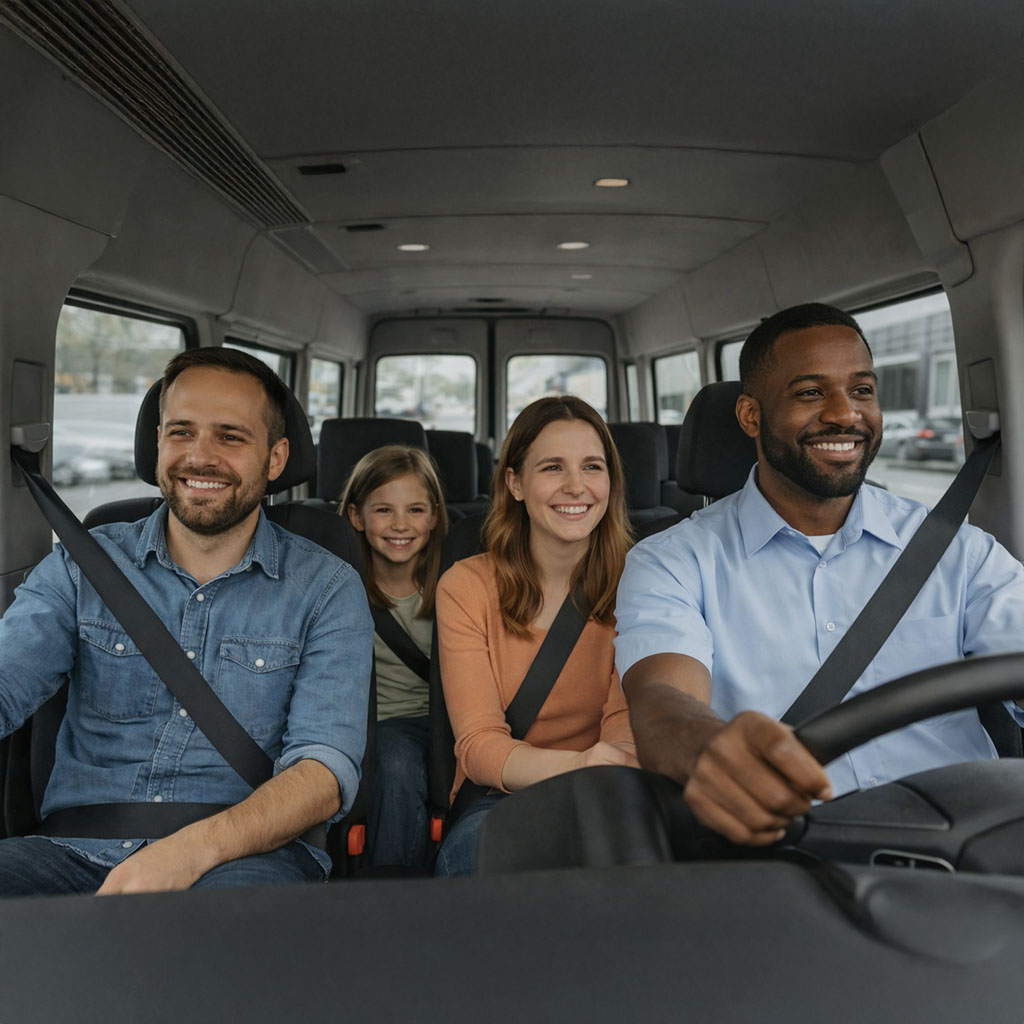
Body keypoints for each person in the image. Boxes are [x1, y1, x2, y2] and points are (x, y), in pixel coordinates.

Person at [616, 302, 1024, 847]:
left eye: (862, 390)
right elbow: (662, 700)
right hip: (790, 857)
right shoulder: (671, 560)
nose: (844, 414)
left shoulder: (960, 552)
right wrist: (710, 749)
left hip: (966, 848)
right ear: (751, 417)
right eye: (810, 392)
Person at [0, 347, 373, 894]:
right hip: (70, 849)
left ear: (275, 458)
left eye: (230, 436)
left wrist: (188, 853)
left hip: (247, 856)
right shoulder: (82, 565)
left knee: (212, 957)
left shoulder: (327, 587)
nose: (201, 458)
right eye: (181, 432)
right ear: (157, 444)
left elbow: (323, 772)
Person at [434, 396, 638, 876]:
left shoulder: (645, 580)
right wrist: (581, 767)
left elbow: (624, 724)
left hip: (610, 787)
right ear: (515, 483)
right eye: (552, 467)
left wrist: (604, 772)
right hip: (496, 798)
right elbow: (480, 745)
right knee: (479, 861)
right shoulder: (465, 586)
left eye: (593, 466)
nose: (576, 486)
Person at [341, 444, 448, 869]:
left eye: (416, 510)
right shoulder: (339, 587)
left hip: (446, 721)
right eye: (383, 510)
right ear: (356, 516)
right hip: (377, 725)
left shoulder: (454, 584)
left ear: (435, 516)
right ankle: (391, 887)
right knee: (396, 762)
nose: (400, 524)